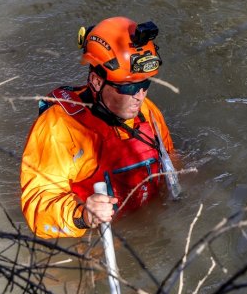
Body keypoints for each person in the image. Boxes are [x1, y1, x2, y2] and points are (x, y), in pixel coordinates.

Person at [20, 16, 175, 239]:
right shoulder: (59, 127)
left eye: (145, 84)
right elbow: (37, 206)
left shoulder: (149, 111)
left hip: (151, 229)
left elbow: (171, 163)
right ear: (96, 81)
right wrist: (82, 215)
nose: (139, 96)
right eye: (128, 87)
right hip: (92, 240)